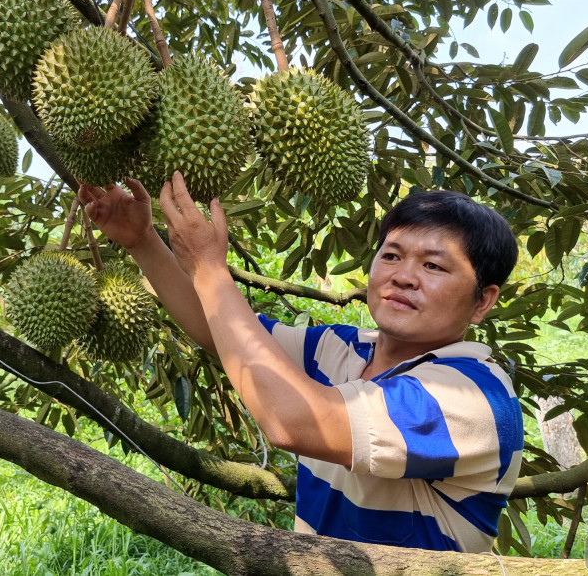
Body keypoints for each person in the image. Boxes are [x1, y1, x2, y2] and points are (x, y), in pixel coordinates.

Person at [79, 173, 524, 553]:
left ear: (483, 301)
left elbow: (292, 421)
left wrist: (211, 268)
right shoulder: (339, 347)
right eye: (391, 255)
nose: (402, 276)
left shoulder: (473, 397)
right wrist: (143, 241)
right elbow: (220, 331)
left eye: (434, 266)